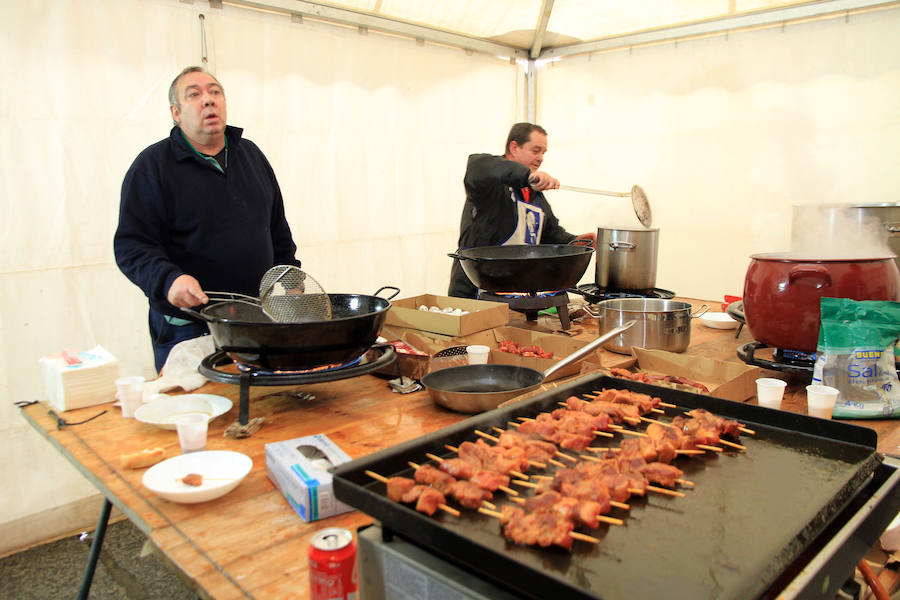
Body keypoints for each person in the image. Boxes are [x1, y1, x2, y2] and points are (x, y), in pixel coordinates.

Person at [114, 66, 301, 372]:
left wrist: (291, 274)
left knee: (262, 398)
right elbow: (132, 246)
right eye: (194, 94)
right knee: (194, 400)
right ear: (176, 113)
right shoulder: (152, 167)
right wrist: (169, 280)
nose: (209, 100)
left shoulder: (251, 156)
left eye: (215, 92)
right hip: (188, 327)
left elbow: (276, 227)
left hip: (254, 320)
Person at [448, 122, 596, 298]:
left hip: (514, 288)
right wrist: (526, 175)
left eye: (543, 153)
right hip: (477, 288)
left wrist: (575, 241)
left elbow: (550, 234)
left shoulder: (535, 195)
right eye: (536, 150)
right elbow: (476, 166)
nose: (540, 158)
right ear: (514, 147)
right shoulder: (490, 184)